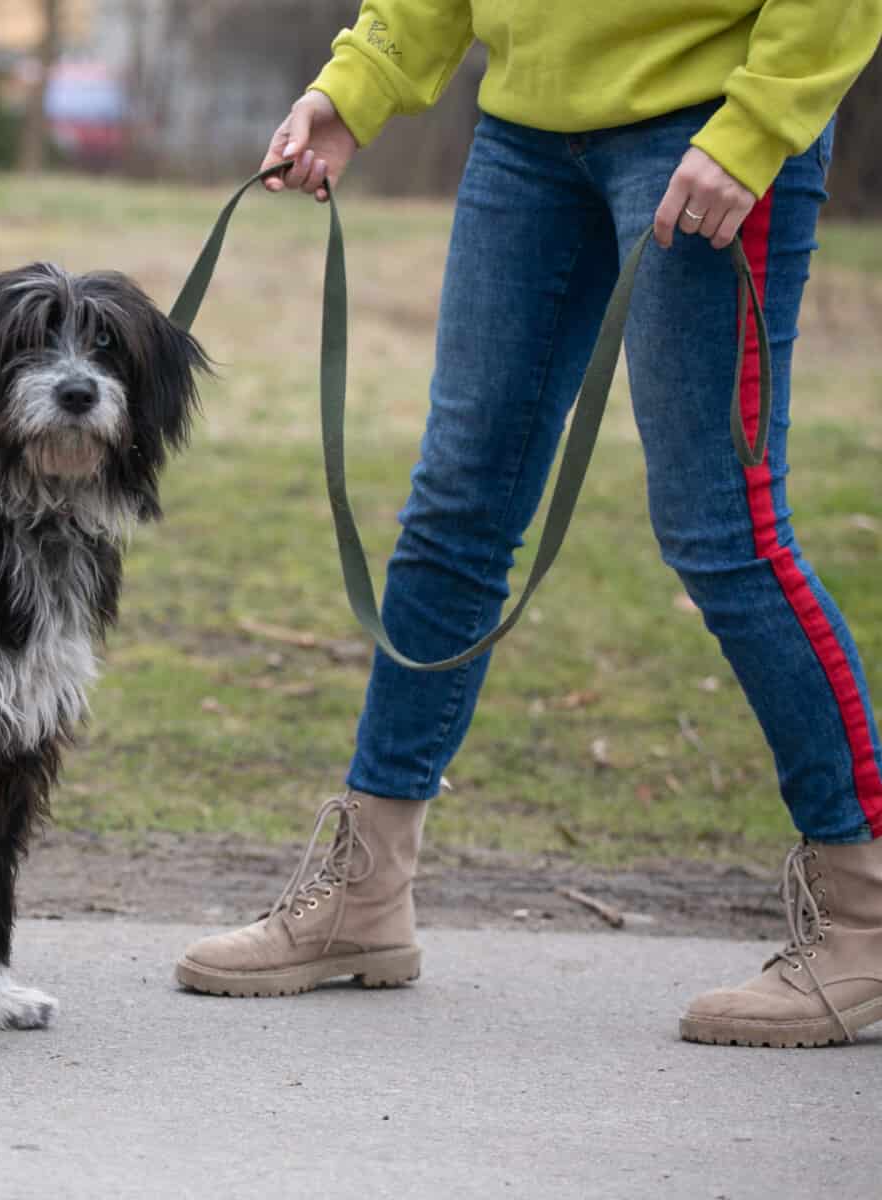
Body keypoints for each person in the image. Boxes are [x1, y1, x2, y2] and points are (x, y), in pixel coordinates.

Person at [175, 1, 882, 1048]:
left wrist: (756, 127)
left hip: (705, 129)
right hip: (526, 135)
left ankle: (865, 913)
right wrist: (353, 88)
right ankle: (367, 895)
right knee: (456, 509)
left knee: (723, 531)